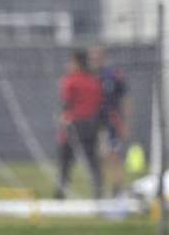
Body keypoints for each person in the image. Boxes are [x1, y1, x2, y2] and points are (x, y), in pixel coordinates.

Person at [55, 49, 103, 199]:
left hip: (74, 124)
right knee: (92, 159)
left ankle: (61, 191)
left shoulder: (71, 80)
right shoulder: (94, 81)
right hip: (91, 124)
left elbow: (66, 103)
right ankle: (97, 191)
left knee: (65, 159)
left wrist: (63, 120)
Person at [90, 46, 129, 197]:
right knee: (99, 156)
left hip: (112, 122)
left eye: (97, 57)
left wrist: (124, 122)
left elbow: (125, 99)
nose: (95, 61)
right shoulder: (90, 76)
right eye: (93, 58)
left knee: (114, 155)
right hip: (94, 122)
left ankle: (117, 187)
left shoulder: (113, 75)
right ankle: (101, 187)